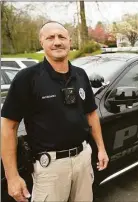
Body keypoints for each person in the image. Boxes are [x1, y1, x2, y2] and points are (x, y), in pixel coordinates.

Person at [1, 21, 109, 202]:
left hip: (83, 159)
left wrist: (101, 149)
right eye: (50, 37)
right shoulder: (27, 78)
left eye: (62, 37)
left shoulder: (81, 75)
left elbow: (91, 114)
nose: (57, 42)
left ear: (70, 41)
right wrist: (12, 177)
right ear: (41, 42)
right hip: (50, 169)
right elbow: (8, 128)